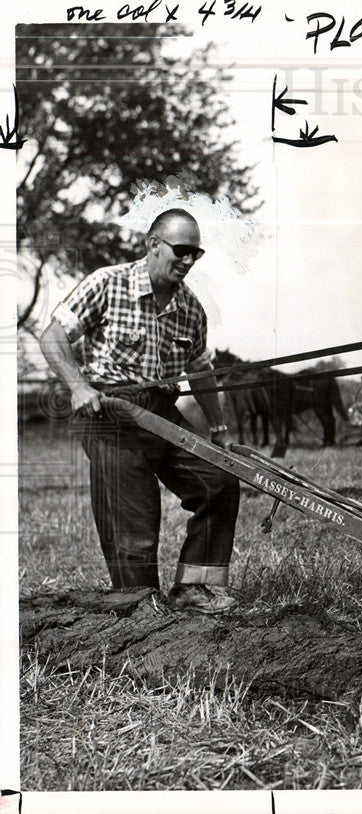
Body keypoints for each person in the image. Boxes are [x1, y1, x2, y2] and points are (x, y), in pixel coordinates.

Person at [39, 208, 241, 615]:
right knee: (136, 517)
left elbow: (201, 370)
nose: (187, 261)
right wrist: (78, 387)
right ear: (152, 244)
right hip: (109, 413)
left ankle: (194, 590)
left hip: (161, 413)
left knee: (219, 482)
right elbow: (52, 336)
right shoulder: (107, 284)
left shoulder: (190, 308)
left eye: (195, 254)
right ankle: (138, 606)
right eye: (181, 250)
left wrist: (218, 431)